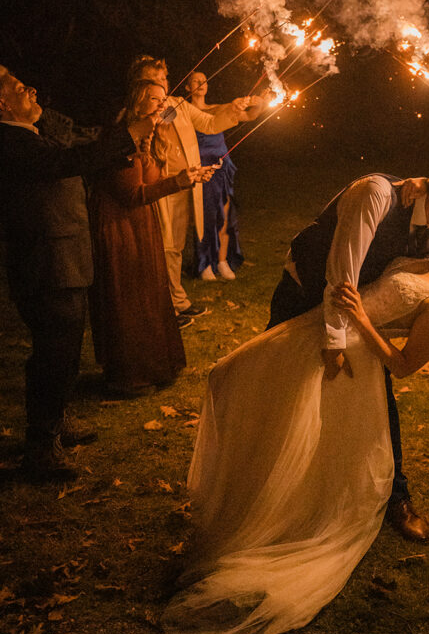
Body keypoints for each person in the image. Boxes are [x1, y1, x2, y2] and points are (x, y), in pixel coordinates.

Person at [163, 222, 429, 634]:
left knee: (287, 421)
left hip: (350, 356)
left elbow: (404, 364)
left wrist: (359, 318)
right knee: (230, 378)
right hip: (318, 326)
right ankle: (244, 487)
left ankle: (278, 517)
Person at [267, 158, 429, 541]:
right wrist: (334, 342)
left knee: (376, 403)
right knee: (283, 389)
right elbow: (341, 272)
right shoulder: (376, 195)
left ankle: (395, 496)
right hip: (304, 294)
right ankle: (274, 483)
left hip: (359, 320)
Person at [0, 68, 155, 480]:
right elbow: (67, 161)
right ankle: (40, 449)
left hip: (64, 258)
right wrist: (129, 134)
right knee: (54, 354)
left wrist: (127, 140)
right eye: (18, 87)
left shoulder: (32, 132)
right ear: (1, 103)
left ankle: (57, 420)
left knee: (64, 351)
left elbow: (80, 147)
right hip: (47, 264)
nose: (31, 87)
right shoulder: (10, 141)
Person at [89, 80, 216, 396]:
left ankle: (154, 366)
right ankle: (130, 375)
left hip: (138, 225)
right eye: (155, 101)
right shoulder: (119, 137)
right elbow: (132, 193)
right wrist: (177, 184)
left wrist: (185, 177)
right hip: (120, 228)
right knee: (131, 300)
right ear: (138, 102)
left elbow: (152, 178)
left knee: (147, 296)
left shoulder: (143, 137)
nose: (163, 106)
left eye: (164, 100)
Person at [127, 57, 263, 328]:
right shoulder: (144, 110)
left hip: (183, 185)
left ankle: (176, 300)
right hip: (159, 185)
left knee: (175, 246)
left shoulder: (179, 104)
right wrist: (156, 115)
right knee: (163, 246)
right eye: (156, 80)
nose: (163, 84)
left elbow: (210, 124)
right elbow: (147, 134)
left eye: (164, 79)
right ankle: (164, 305)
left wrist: (233, 110)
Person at [185, 71, 243, 282]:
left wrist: (257, 101)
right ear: (187, 87)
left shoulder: (217, 108)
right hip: (201, 168)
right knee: (206, 217)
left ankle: (222, 261)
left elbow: (245, 113)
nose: (201, 83)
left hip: (222, 165)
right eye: (195, 81)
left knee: (225, 215)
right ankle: (204, 263)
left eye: (204, 80)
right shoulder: (186, 111)